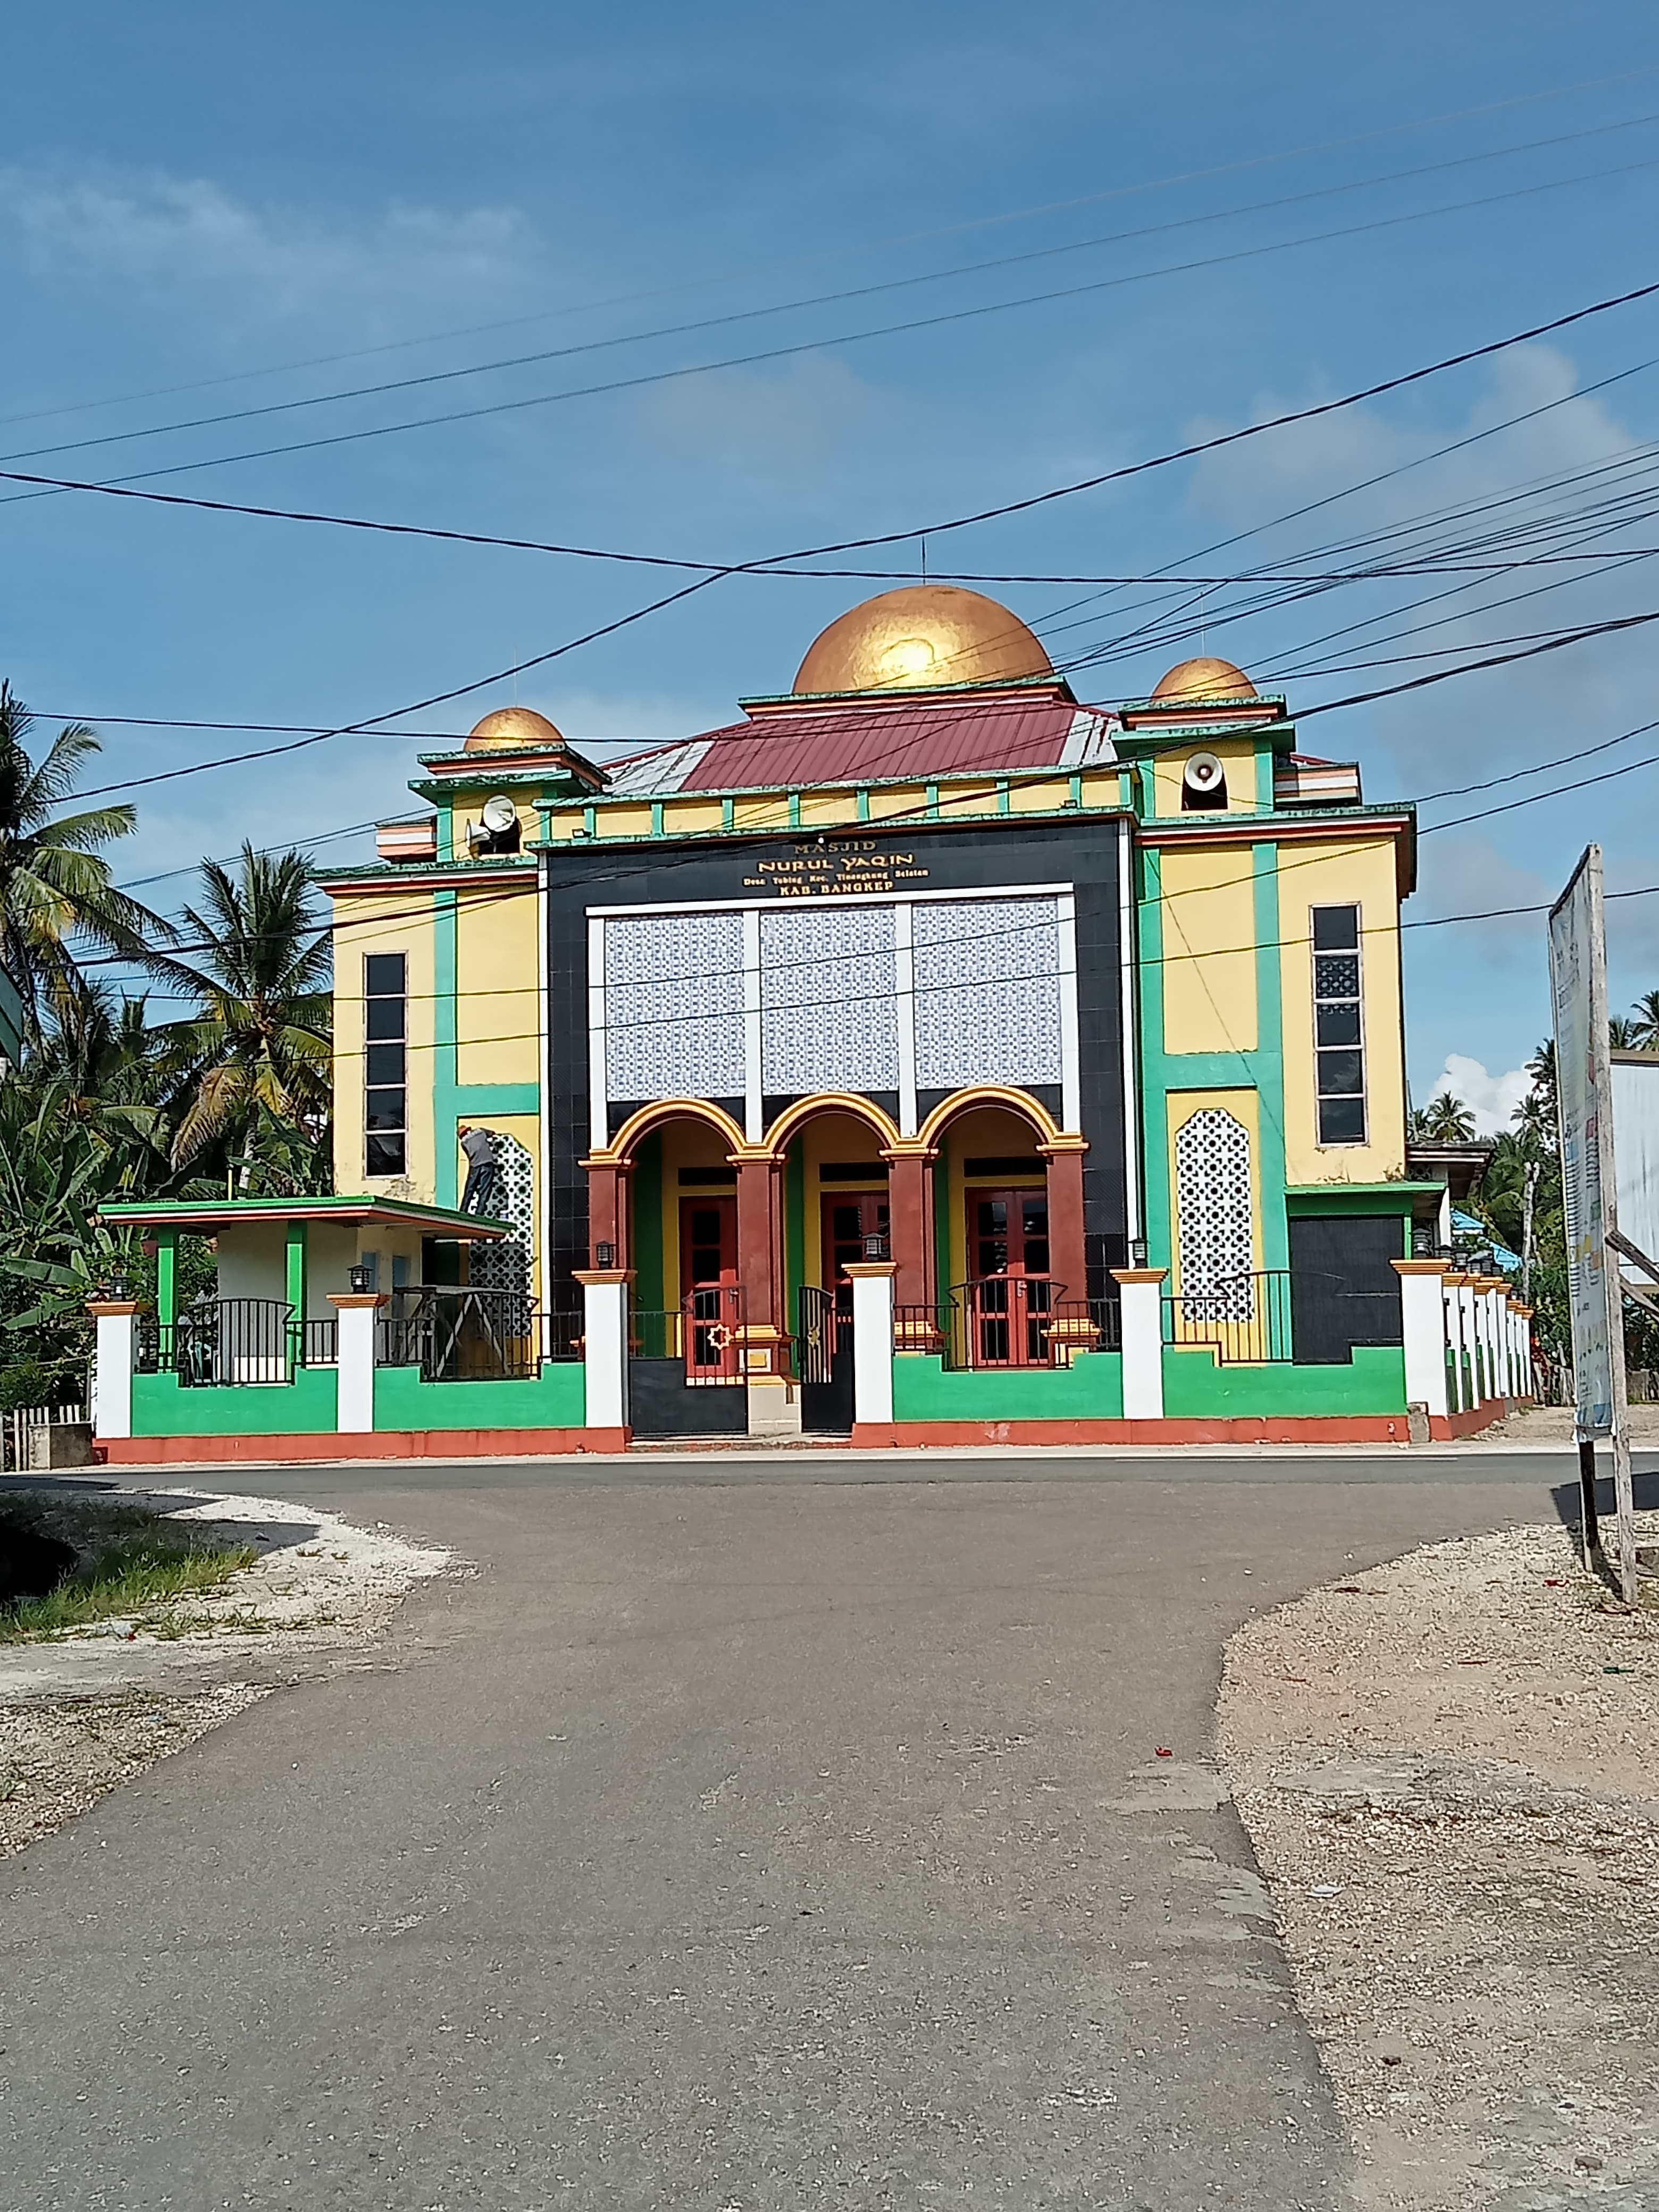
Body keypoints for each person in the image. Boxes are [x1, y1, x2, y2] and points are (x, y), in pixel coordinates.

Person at [458, 1124, 505, 1218]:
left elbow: (469, 1155)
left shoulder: (463, 1143)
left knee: (470, 1190)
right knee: (485, 1190)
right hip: (488, 1163)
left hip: (475, 1166)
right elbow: (492, 1133)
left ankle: (463, 1211)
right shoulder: (480, 1131)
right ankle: (480, 1212)